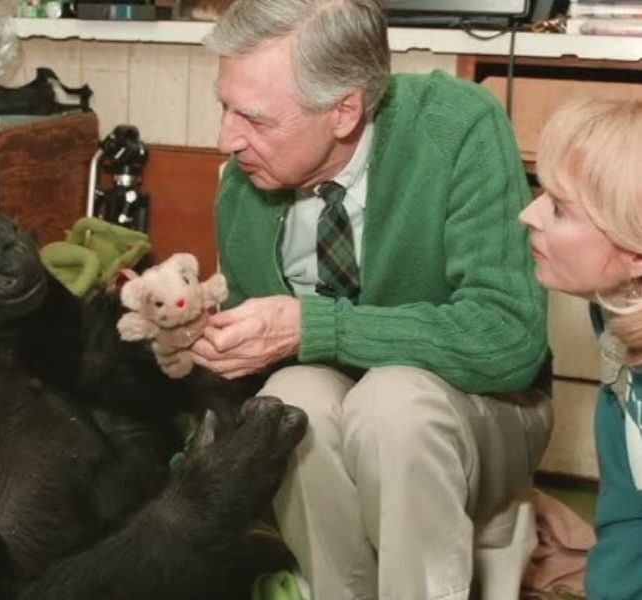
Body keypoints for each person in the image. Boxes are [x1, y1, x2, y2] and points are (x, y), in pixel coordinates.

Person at [191, 0, 554, 598]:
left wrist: (316, 326)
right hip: (341, 412)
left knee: (394, 403)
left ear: (344, 110)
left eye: (254, 118)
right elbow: (266, 362)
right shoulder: (245, 185)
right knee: (287, 401)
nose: (227, 138)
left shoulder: (458, 126)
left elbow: (508, 339)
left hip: (487, 409)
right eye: (224, 106)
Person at [519, 98, 642, 600]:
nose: (528, 214)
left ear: (634, 253)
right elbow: (628, 508)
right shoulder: (615, 312)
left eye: (560, 208)